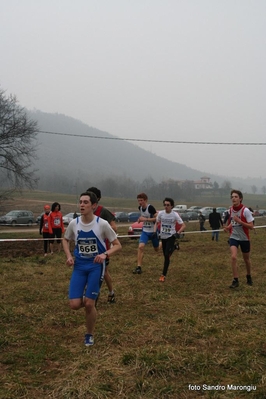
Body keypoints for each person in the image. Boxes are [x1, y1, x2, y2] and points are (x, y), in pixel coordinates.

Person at [62, 191, 122, 347]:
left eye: (85, 202)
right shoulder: (74, 223)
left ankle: (89, 334)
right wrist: (69, 256)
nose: (82, 205)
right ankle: (90, 299)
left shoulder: (101, 224)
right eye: (80, 202)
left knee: (89, 304)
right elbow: (65, 239)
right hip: (80, 266)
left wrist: (104, 254)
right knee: (74, 305)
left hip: (96, 266)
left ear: (94, 206)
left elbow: (117, 245)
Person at [86, 187, 118, 303]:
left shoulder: (103, 211)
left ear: (97, 199)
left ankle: (111, 293)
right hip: (88, 249)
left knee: (104, 273)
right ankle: (92, 293)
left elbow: (114, 227)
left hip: (102, 248)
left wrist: (101, 231)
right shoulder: (85, 211)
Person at [224, 189, 254, 288]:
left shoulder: (246, 210)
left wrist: (240, 221)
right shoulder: (230, 210)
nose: (233, 198)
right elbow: (232, 223)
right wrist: (228, 228)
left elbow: (251, 226)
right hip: (234, 237)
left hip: (244, 238)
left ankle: (249, 276)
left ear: (240, 199)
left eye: (236, 197)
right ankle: (235, 280)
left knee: (246, 259)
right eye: (232, 197)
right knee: (233, 257)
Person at [155, 198, 186, 282]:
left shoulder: (175, 215)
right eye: (165, 205)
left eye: (168, 205)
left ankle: (163, 275)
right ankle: (175, 247)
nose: (166, 206)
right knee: (165, 254)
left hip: (171, 237)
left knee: (166, 255)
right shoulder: (161, 213)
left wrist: (178, 232)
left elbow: (183, 225)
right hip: (163, 237)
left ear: (171, 206)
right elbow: (156, 222)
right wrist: (155, 232)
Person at [133, 192, 159, 274]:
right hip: (145, 231)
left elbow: (157, 219)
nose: (140, 202)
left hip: (153, 231)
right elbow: (143, 217)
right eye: (138, 201)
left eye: (141, 200)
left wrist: (146, 219)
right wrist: (140, 219)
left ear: (145, 200)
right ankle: (139, 267)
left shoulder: (150, 207)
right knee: (140, 247)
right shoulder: (140, 208)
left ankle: (162, 243)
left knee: (157, 249)